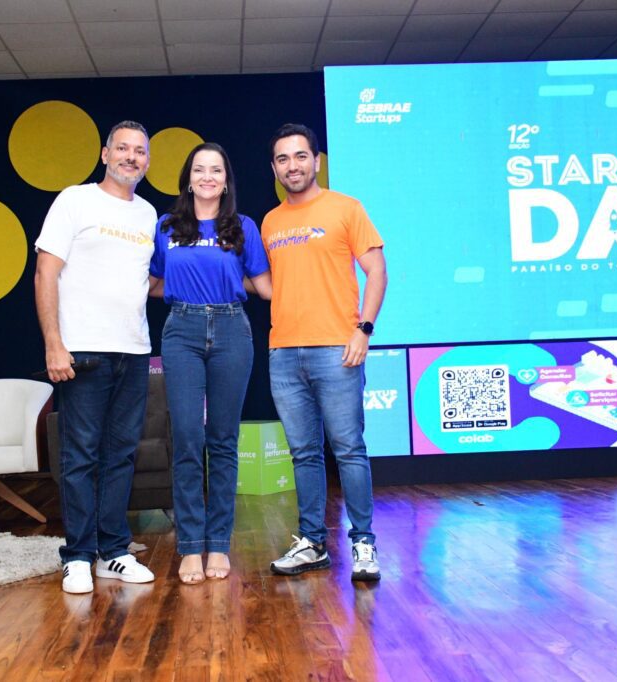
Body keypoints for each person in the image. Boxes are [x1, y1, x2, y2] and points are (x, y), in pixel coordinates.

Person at [34, 120, 158, 593]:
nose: (131, 157)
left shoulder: (148, 214)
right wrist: (54, 343)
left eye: (139, 151)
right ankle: (78, 555)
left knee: (121, 455)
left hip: (134, 349)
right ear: (105, 154)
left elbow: (145, 280)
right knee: (81, 455)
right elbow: (45, 273)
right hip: (82, 349)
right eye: (122, 148)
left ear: (147, 161)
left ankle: (114, 551)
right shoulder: (74, 200)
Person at [261, 123, 388, 582]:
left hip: (337, 349)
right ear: (274, 168)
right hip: (283, 352)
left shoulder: (345, 208)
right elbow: (273, 284)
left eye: (300, 156)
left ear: (316, 161)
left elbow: (377, 270)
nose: (292, 166)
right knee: (304, 454)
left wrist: (363, 330)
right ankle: (312, 543)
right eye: (282, 159)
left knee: (349, 450)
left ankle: (364, 544)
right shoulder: (270, 222)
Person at [149, 142, 272, 584]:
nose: (207, 177)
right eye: (199, 169)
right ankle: (189, 547)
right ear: (188, 178)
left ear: (225, 180)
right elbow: (153, 284)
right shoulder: (166, 226)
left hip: (232, 330)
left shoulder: (242, 227)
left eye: (215, 170)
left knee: (222, 440)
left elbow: (266, 286)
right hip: (181, 331)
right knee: (186, 439)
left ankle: (218, 543)